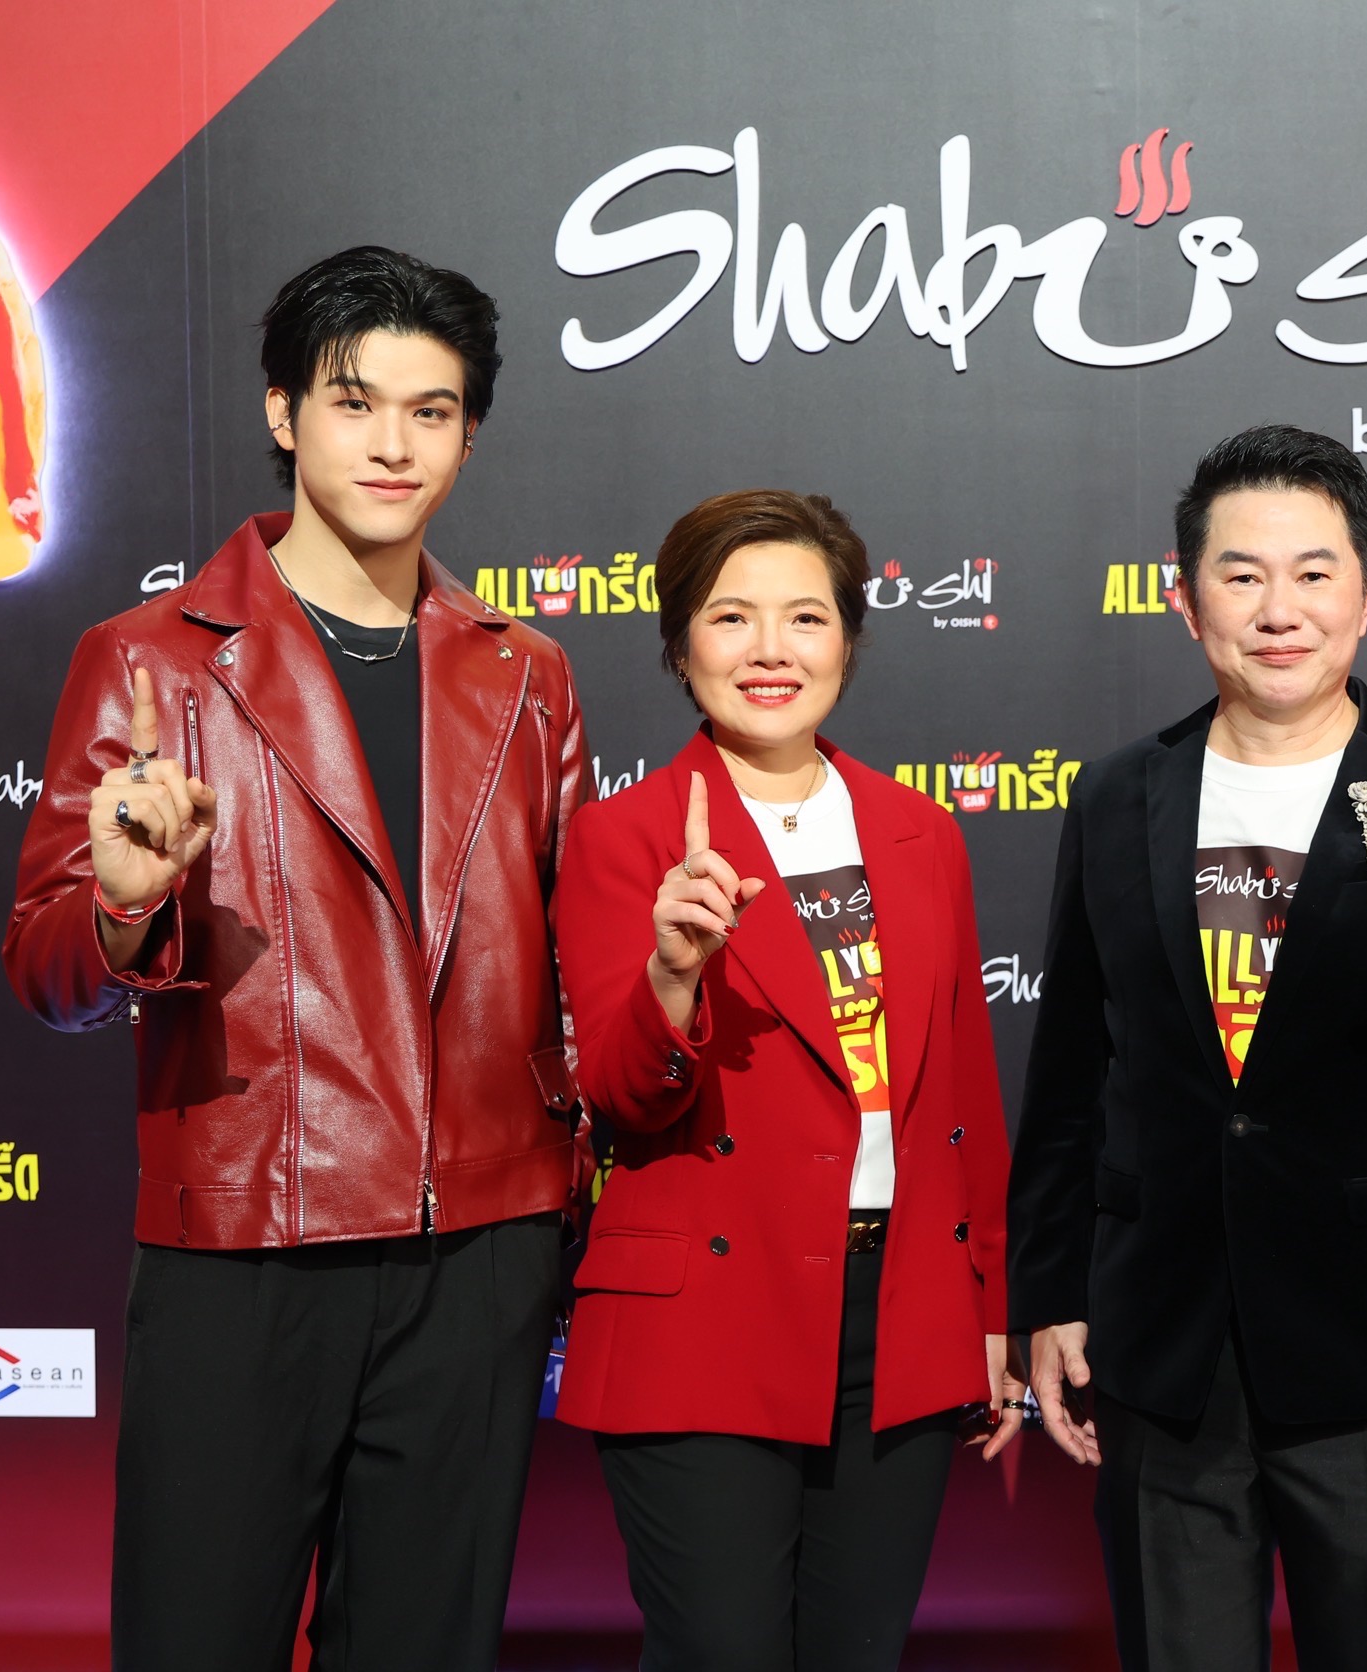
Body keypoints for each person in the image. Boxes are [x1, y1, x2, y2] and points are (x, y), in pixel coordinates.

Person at [4, 247, 590, 1671]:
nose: (393, 443)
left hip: (481, 1249)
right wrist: (126, 908)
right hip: (248, 1244)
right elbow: (43, 969)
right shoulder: (148, 659)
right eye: (353, 401)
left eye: (432, 411)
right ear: (282, 411)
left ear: (469, 432)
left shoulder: (527, 672)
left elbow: (570, 956)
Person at [1007, 424, 1367, 1671]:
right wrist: (1048, 1293)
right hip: (1163, 1348)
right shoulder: (1115, 795)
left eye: (1315, 574)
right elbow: (1067, 1076)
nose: (1281, 610)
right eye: (1243, 574)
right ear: (1185, 598)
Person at [550, 489, 1019, 1672]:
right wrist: (672, 974)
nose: (771, 650)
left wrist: (989, 1305)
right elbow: (620, 1096)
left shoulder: (921, 833)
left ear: (848, 639)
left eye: (806, 617)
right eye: (731, 617)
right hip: (703, 1319)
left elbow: (964, 1095)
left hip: (899, 1311)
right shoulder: (622, 838)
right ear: (679, 645)